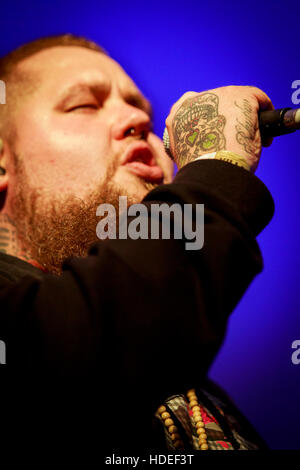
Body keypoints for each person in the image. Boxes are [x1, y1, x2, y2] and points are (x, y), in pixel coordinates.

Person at [0, 34, 275, 453]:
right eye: (84, 105)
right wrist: (217, 170)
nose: (137, 118)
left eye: (142, 108)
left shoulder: (200, 391)